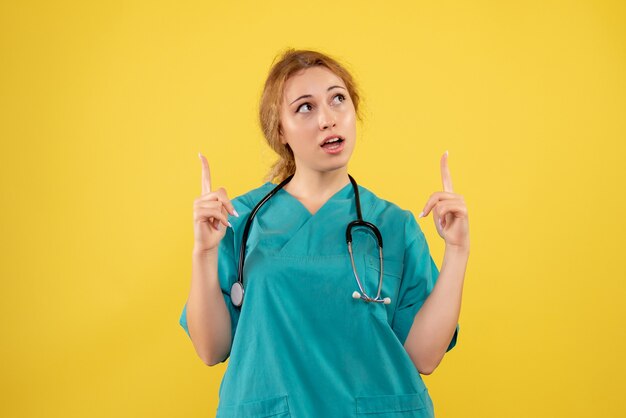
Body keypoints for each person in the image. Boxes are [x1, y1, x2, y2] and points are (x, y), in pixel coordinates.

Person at [179, 48, 470, 418]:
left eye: (338, 100)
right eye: (305, 107)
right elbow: (211, 349)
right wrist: (203, 253)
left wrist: (457, 251)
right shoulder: (237, 219)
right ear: (279, 129)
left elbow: (425, 357)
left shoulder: (395, 226)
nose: (328, 120)